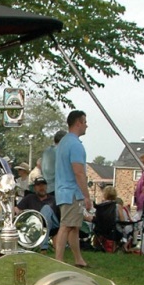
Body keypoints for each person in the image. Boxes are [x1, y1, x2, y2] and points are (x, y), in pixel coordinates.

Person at [54, 110, 93, 266]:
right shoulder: (75, 145)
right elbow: (79, 172)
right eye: (85, 122)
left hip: (63, 190)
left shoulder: (63, 142)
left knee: (74, 226)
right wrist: (87, 195)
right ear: (78, 123)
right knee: (66, 226)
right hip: (71, 192)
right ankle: (58, 261)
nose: (86, 125)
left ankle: (79, 259)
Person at [17, 176, 58, 246]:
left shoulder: (53, 199)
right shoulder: (30, 198)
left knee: (46, 208)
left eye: (43, 185)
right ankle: (42, 245)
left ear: (46, 186)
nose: (41, 187)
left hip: (53, 225)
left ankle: (42, 247)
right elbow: (17, 209)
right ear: (35, 188)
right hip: (34, 225)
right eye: (39, 185)